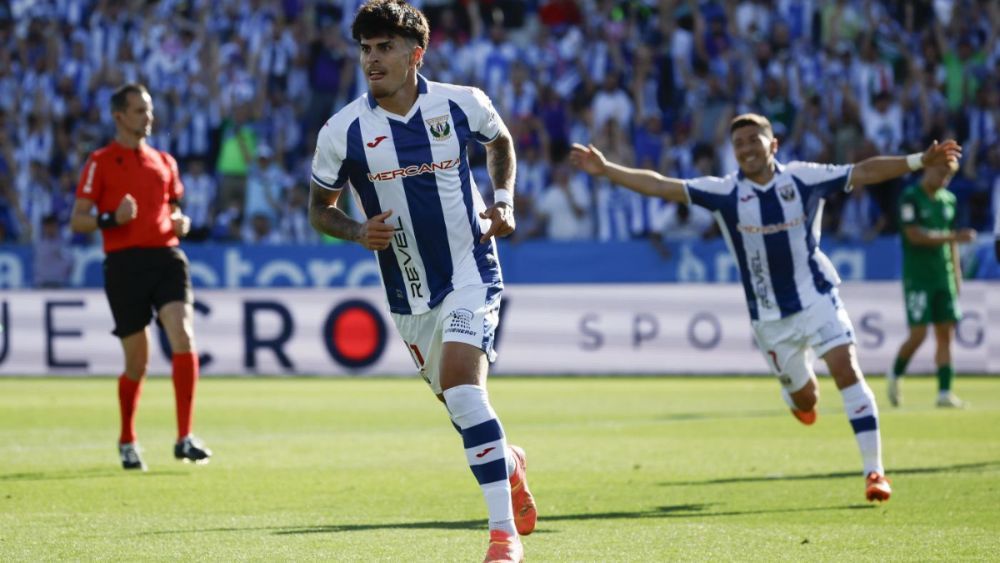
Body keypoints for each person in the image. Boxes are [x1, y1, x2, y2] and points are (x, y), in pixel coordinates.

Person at [571, 112, 962, 503]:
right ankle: (796, 392)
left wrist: (916, 161)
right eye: (738, 144)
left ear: (772, 145)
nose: (746, 149)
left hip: (816, 296)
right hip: (770, 319)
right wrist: (607, 170)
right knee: (807, 400)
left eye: (753, 140)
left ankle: (874, 471)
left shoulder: (802, 178)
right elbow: (661, 186)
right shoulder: (724, 192)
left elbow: (862, 171)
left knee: (846, 368)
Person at [307, 2, 535, 561]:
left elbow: (500, 141)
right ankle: (510, 463)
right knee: (463, 409)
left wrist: (503, 201)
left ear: (415, 54)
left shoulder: (460, 103)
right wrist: (358, 231)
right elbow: (319, 207)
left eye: (384, 47)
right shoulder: (342, 131)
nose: (372, 59)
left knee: (462, 384)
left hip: (470, 270)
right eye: (365, 49)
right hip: (408, 293)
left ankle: (502, 537)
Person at [70, 83, 211, 471]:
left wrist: (181, 222)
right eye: (139, 111)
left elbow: (175, 208)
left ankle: (184, 437)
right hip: (124, 265)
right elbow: (78, 219)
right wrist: (109, 219)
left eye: (148, 110)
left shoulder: (165, 161)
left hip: (166, 256)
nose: (148, 117)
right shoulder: (100, 161)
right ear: (119, 116)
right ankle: (127, 439)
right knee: (138, 362)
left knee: (182, 334)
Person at [887, 161, 975, 408]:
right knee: (918, 334)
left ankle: (944, 392)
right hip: (918, 277)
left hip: (943, 275)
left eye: (948, 175)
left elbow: (952, 243)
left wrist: (956, 275)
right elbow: (914, 236)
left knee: (945, 333)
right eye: (940, 172)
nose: (944, 179)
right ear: (927, 169)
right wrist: (953, 237)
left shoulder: (949, 200)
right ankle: (895, 375)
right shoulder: (910, 197)